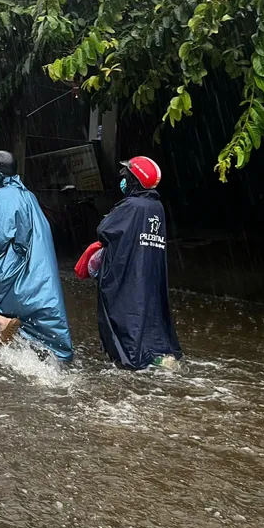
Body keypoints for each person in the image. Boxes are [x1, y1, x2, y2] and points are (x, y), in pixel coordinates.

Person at [0, 150, 74, 363]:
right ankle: (20, 343)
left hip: (11, 268)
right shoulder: (27, 195)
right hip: (34, 271)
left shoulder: (2, 196)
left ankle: (2, 322)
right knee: (38, 326)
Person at [95, 156, 181, 371]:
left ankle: (132, 355)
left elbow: (104, 230)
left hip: (129, 269)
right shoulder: (156, 206)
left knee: (125, 310)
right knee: (149, 309)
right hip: (149, 269)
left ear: (136, 180)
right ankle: (157, 352)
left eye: (126, 175)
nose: (122, 178)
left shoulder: (132, 206)